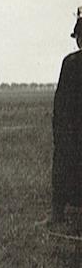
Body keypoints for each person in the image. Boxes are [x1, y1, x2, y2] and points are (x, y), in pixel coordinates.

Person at [51, 12, 82, 225]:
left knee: (62, 165)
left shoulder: (70, 63)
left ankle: (57, 214)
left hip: (72, 130)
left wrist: (59, 131)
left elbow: (60, 103)